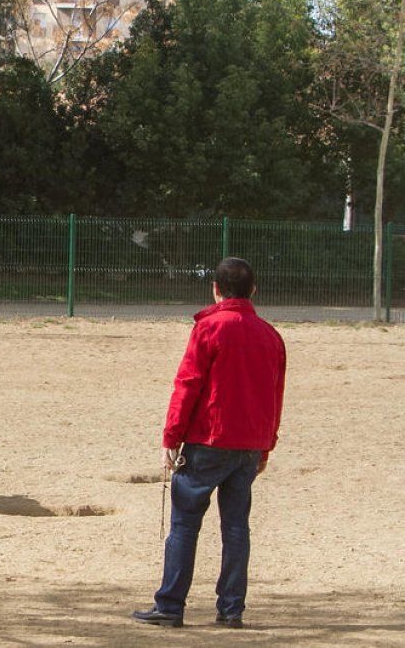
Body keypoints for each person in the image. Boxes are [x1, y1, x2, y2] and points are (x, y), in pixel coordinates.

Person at [132, 257, 286, 630]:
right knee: (236, 528)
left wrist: (171, 436)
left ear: (215, 290)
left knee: (185, 524)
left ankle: (171, 604)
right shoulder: (271, 336)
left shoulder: (209, 328)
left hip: (209, 440)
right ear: (253, 290)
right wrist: (266, 444)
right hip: (249, 444)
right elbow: (275, 393)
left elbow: (188, 384)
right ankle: (231, 609)